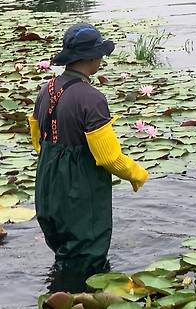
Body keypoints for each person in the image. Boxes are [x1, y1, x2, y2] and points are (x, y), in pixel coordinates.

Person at [28, 23, 148, 286]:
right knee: (87, 255)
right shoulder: (91, 98)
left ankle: (59, 293)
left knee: (64, 250)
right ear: (92, 57)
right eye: (100, 54)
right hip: (80, 190)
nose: (101, 59)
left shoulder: (45, 90)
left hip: (47, 184)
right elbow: (108, 158)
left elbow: (38, 140)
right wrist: (136, 174)